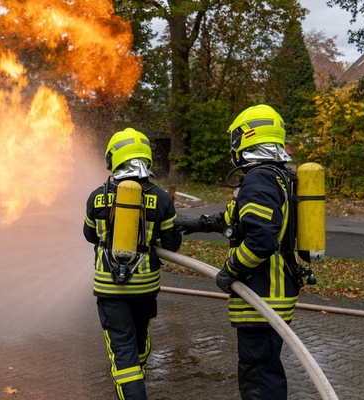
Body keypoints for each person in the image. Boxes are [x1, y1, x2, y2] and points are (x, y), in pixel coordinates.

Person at [178, 104, 300, 399]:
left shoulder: (259, 180)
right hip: (274, 293)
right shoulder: (279, 176)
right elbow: (239, 220)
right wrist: (198, 224)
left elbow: (261, 240)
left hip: (261, 296)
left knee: (257, 380)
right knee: (265, 371)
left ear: (246, 139)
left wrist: (230, 269)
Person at [83, 127, 182, 400]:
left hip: (109, 288)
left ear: (113, 159)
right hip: (145, 287)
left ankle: (132, 390)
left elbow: (89, 234)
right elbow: (172, 243)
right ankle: (135, 384)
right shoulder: (161, 198)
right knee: (140, 344)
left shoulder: (97, 197)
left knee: (122, 354)